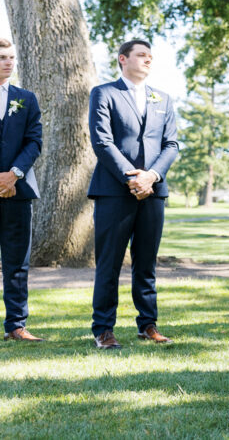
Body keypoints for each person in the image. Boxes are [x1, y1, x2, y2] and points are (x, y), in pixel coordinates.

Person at [89, 40, 179, 349]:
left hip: (153, 192)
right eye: (141, 55)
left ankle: (148, 325)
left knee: (146, 263)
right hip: (114, 191)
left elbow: (172, 144)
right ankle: (103, 329)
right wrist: (133, 178)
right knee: (109, 262)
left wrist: (151, 176)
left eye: (151, 56)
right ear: (122, 59)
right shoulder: (104, 93)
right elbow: (102, 141)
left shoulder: (164, 99)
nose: (148, 60)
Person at [0, 39, 44, 342]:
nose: (9, 62)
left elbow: (34, 141)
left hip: (17, 190)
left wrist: (12, 174)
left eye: (11, 57)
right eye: (3, 57)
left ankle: (16, 325)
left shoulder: (25, 98)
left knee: (17, 261)